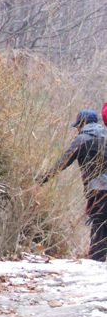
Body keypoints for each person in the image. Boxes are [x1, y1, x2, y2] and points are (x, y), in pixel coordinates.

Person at [42, 110, 107, 261]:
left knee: (99, 224)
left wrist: (42, 179)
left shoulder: (83, 139)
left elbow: (63, 162)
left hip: (99, 189)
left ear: (82, 124)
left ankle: (97, 263)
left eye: (78, 125)